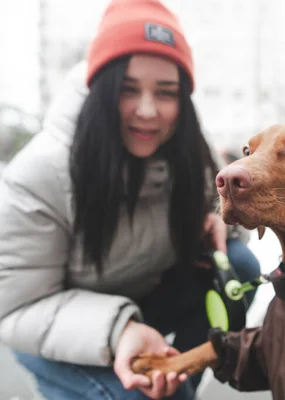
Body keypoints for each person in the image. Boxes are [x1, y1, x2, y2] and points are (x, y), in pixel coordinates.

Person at [0, 0, 261, 398]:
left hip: (145, 296)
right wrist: (118, 330)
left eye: (166, 92)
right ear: (101, 90)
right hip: (55, 324)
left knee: (239, 266)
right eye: (128, 89)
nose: (147, 110)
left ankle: (174, 386)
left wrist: (212, 216)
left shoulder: (190, 147)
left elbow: (223, 217)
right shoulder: (41, 173)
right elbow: (15, 309)